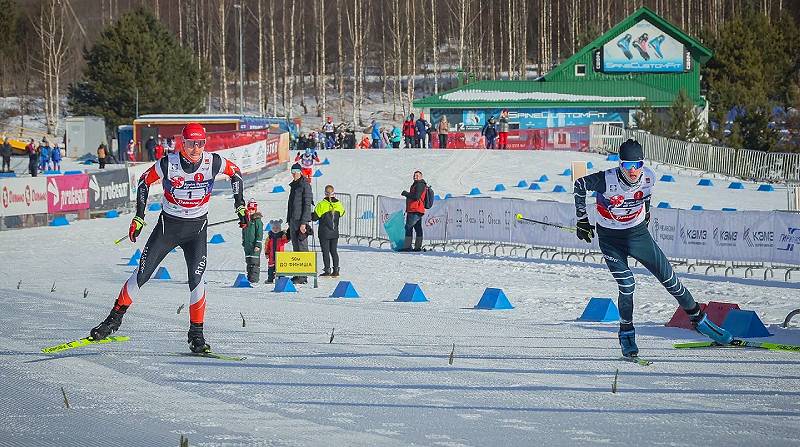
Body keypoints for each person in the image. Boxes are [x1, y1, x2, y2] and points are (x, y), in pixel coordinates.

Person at [88, 123, 247, 354]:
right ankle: (112, 321)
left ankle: (197, 335)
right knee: (142, 273)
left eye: (200, 143)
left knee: (197, 279)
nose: (196, 148)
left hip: (197, 230)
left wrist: (240, 205)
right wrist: (139, 217)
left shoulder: (213, 161)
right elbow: (144, 181)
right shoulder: (168, 164)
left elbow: (235, 174)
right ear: (182, 143)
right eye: (191, 143)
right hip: (168, 228)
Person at [573, 139, 733, 359]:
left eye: (637, 165)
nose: (633, 171)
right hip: (611, 239)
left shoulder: (649, 177)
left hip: (638, 235)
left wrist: (646, 214)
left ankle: (699, 321)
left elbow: (646, 197)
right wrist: (582, 219)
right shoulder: (606, 180)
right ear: (620, 165)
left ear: (642, 164)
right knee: (627, 285)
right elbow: (579, 184)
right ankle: (627, 334)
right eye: (628, 166)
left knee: (670, 280)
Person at [287, 162, 314, 284]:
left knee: (302, 247)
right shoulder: (294, 185)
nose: (293, 175)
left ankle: (303, 276)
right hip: (293, 219)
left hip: (300, 221)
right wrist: (289, 220)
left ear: (300, 172)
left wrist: (304, 223)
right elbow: (291, 204)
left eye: (295, 173)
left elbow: (307, 205)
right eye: (292, 173)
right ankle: (298, 273)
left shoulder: (305, 185)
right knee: (295, 247)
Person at [312, 184, 345, 277]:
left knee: (325, 251)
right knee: (334, 251)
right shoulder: (338, 204)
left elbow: (315, 217)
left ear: (325, 193)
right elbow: (342, 213)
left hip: (324, 233)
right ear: (334, 193)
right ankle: (336, 270)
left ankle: (327, 270)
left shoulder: (322, 205)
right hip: (335, 232)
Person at [400, 170, 428, 252]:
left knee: (408, 227)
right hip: (416, 209)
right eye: (414, 175)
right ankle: (417, 247)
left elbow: (416, 196)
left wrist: (406, 193)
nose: (415, 177)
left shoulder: (420, 184)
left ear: (421, 176)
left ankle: (408, 246)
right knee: (417, 228)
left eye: (417, 175)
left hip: (415, 209)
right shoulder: (418, 184)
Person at [242, 199, 263, 283]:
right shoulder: (247, 221)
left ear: (255, 210)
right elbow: (244, 232)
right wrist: (244, 242)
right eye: (249, 209)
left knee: (254, 262)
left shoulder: (257, 221)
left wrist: (258, 244)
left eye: (252, 209)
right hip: (248, 246)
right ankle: (249, 278)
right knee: (249, 262)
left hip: (255, 246)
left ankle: (254, 279)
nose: (251, 211)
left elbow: (259, 233)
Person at [264, 219, 290, 283]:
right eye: (273, 228)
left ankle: (281, 279)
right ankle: (270, 279)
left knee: (280, 267)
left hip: (280, 255)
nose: (275, 229)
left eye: (277, 228)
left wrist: (286, 234)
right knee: (271, 268)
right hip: (271, 255)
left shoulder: (281, 236)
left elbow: (286, 240)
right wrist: (266, 253)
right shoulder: (270, 237)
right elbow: (266, 245)